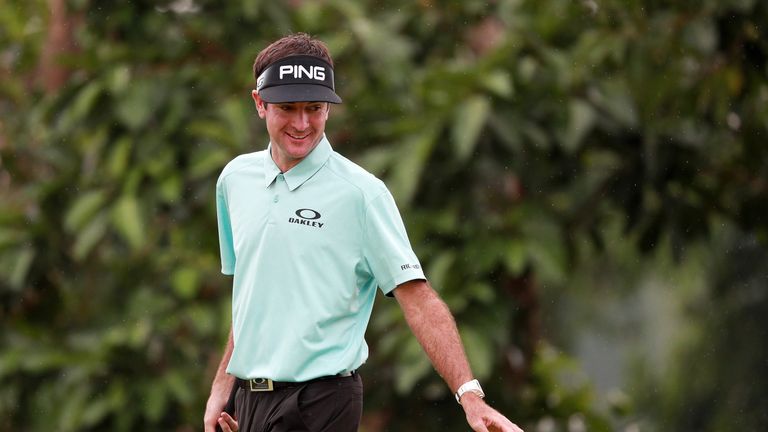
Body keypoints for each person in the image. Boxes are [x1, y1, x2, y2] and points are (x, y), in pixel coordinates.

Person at [203, 32, 524, 432]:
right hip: (248, 402)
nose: (302, 124)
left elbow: (418, 298)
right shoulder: (235, 180)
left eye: (314, 108)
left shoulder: (362, 194)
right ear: (259, 103)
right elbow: (252, 297)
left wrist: (470, 396)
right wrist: (222, 389)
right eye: (287, 108)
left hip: (320, 403)